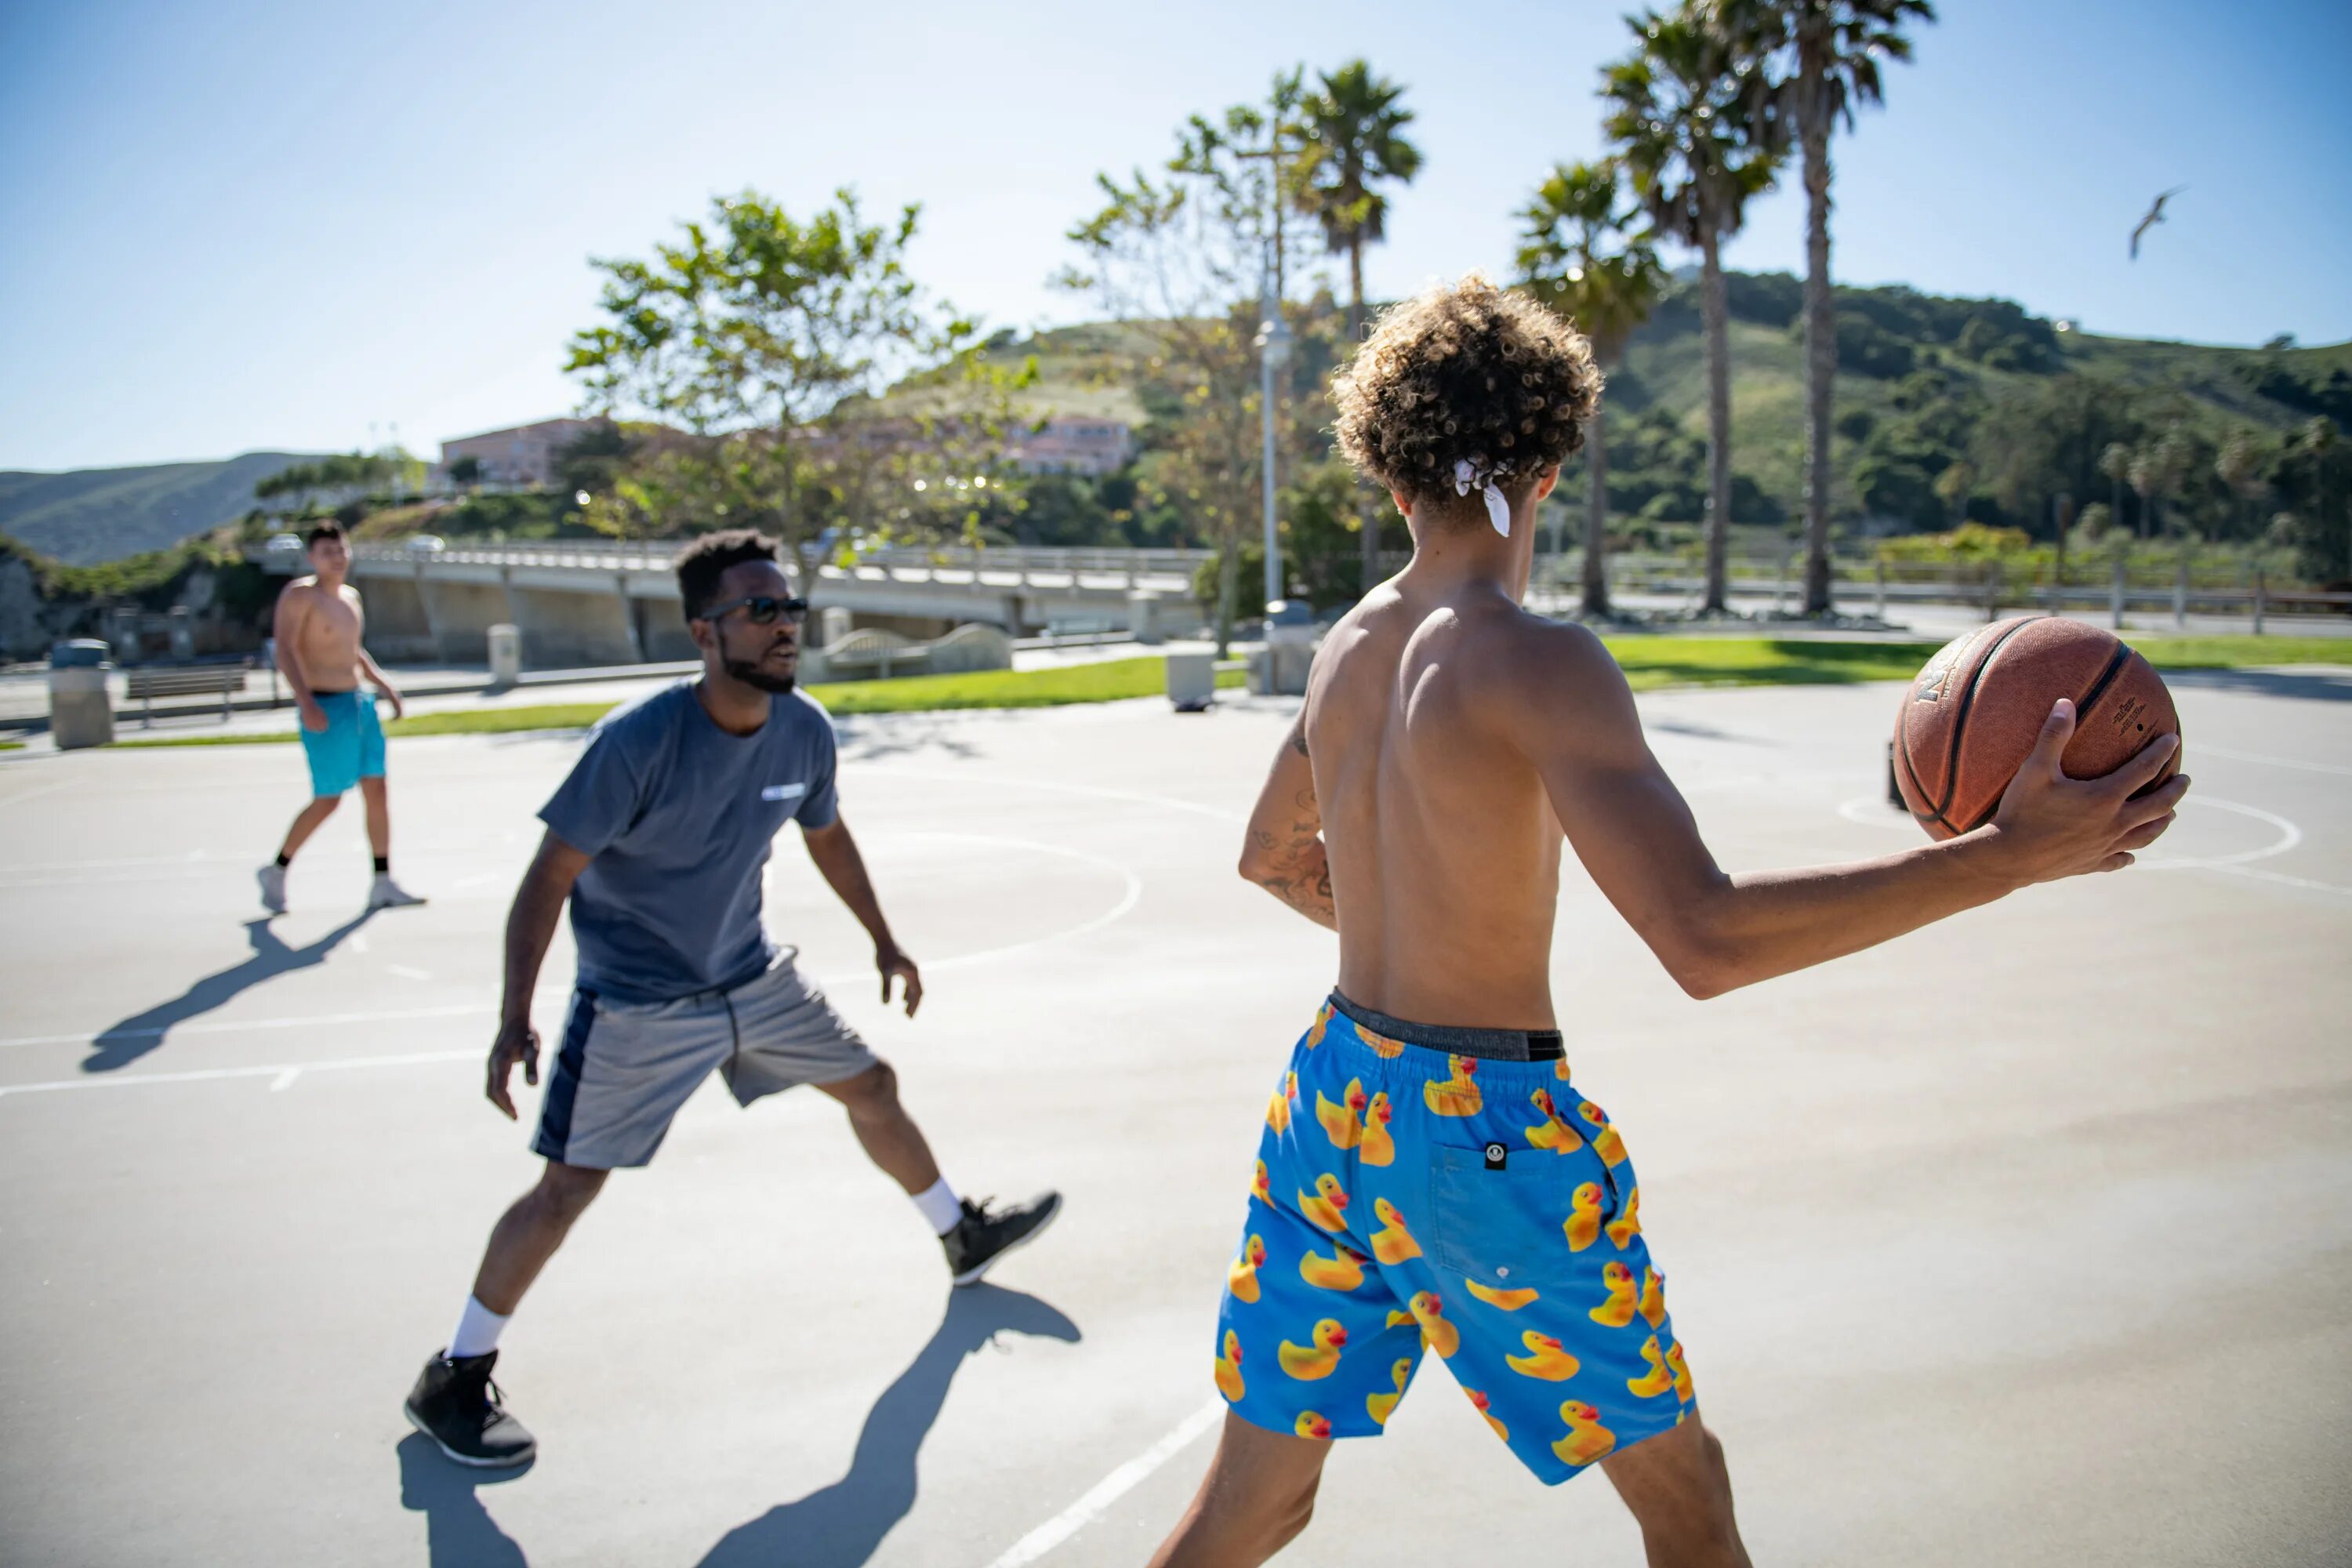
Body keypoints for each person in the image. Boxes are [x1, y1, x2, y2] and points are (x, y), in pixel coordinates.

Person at [1148, 275, 2189, 1567]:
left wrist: (1410, 921)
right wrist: (2004, 859)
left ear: (1386, 462)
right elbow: (1706, 942)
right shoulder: (1536, 661)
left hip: (1334, 1095)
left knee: (1257, 1503)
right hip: (1480, 1141)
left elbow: (1267, 857)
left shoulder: (1347, 645)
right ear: (1551, 456)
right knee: (1684, 1496)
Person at [403, 528, 1060, 1468]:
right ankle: (454, 1373)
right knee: (566, 1190)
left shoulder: (804, 728)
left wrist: (883, 935)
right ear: (705, 633)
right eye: (761, 609)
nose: (785, 624)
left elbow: (826, 836)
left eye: (788, 606)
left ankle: (960, 1232)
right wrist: (516, 1013)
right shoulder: (637, 743)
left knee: (871, 1083)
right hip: (638, 1001)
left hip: (752, 973)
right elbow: (549, 876)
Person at [257, 520, 424, 913]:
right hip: (324, 706)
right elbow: (286, 650)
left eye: (341, 549)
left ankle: (382, 881)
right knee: (329, 799)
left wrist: (383, 685)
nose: (337, 558)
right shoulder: (301, 596)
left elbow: (354, 650)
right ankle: (277, 869)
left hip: (359, 705)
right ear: (312, 558)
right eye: (327, 552)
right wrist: (306, 703)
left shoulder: (350, 597)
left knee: (377, 790)